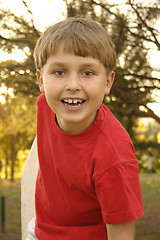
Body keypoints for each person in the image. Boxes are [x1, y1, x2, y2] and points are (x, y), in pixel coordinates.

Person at [27, 17, 144, 240]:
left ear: (108, 82)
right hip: (41, 231)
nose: (73, 85)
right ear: (41, 80)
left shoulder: (113, 157)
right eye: (59, 72)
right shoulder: (45, 106)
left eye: (87, 73)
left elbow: (122, 235)